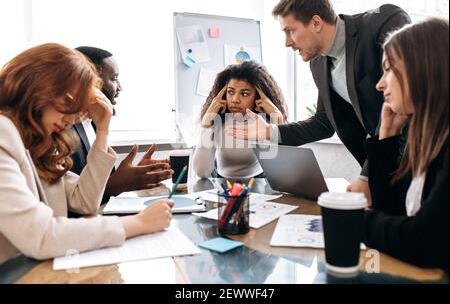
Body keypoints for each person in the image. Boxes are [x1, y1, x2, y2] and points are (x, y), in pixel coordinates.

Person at [225, 0, 411, 203]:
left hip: (416, 159)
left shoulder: (382, 23)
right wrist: (270, 132)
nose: (287, 43)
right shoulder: (318, 63)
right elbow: (323, 123)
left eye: (290, 31)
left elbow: (407, 97)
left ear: (316, 23)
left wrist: (367, 175)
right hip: (383, 171)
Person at [0, 43, 174, 264]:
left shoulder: (34, 142)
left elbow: (85, 202)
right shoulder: (4, 134)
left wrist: (102, 130)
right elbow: (40, 235)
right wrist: (139, 223)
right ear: (40, 87)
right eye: (70, 102)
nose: (73, 119)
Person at [363, 18, 448, 270]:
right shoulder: (427, 135)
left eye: (389, 69)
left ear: (424, 68)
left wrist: (352, 220)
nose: (380, 84)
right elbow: (394, 213)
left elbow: (425, 242)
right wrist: (387, 135)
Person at [73, 46, 171, 202]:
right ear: (91, 80)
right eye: (113, 78)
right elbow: (74, 199)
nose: (119, 87)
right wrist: (118, 184)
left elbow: (98, 182)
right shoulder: (64, 128)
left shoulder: (94, 124)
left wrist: (135, 175)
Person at [193, 60, 288, 178]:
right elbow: (201, 172)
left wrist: (277, 117)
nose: (235, 100)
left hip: (259, 182)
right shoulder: (217, 121)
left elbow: (282, 169)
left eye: (244, 94)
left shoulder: (264, 122)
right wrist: (206, 124)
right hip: (222, 184)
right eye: (230, 92)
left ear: (257, 97)